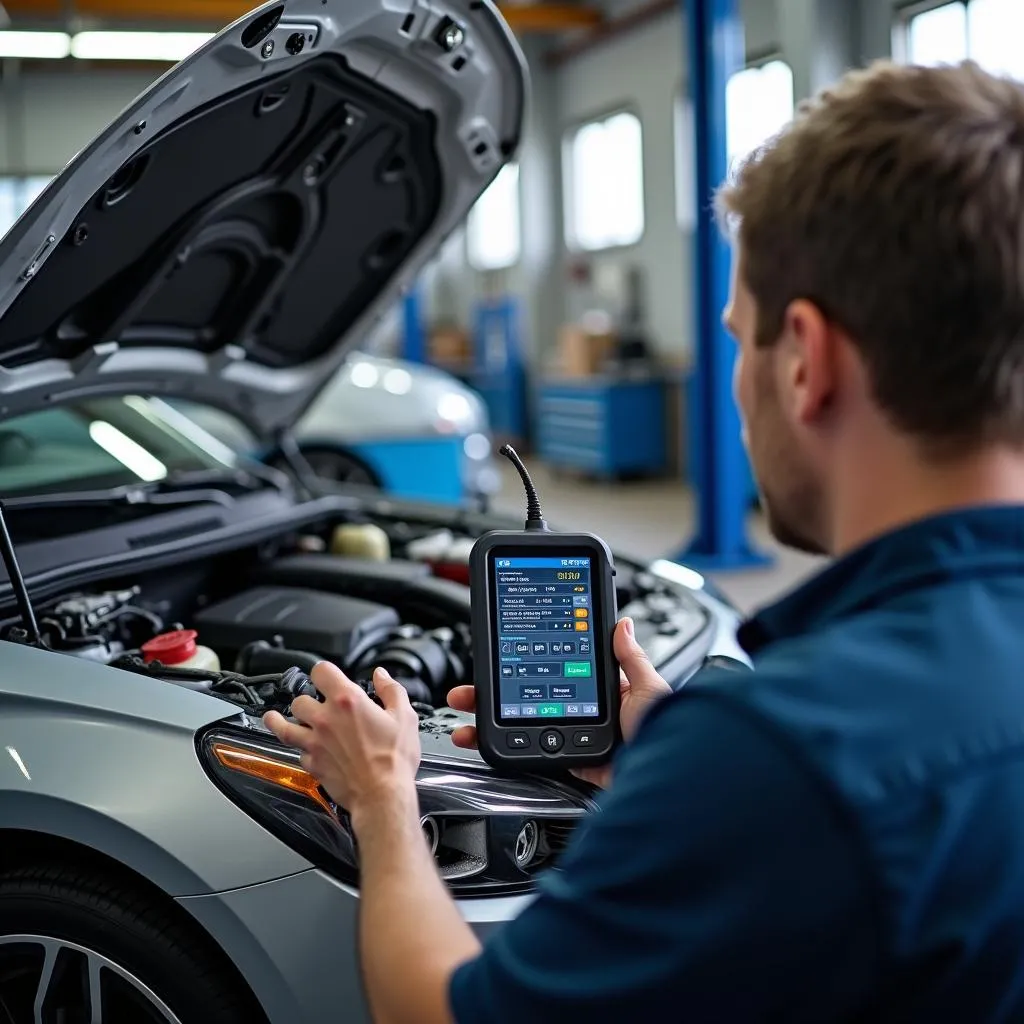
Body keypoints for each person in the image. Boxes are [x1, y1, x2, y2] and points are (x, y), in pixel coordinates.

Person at [264, 58, 1024, 1022]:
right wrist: (669, 754)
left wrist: (379, 801)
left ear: (807, 361)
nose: (739, 389)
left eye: (740, 340)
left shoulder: (786, 756)